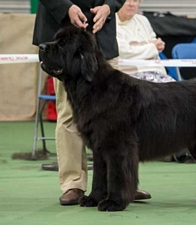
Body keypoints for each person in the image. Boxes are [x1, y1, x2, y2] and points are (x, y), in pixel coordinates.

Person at [32, 0, 151, 205]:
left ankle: (120, 183)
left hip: (101, 33)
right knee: (70, 115)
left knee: (119, 123)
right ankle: (74, 184)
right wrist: (65, 8)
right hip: (64, 36)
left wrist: (110, 6)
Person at [116, 0, 175, 83]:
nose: (131, 4)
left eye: (135, 1)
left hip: (156, 71)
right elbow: (124, 52)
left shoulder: (143, 20)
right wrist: (152, 48)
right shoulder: (111, 24)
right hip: (130, 75)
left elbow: (153, 40)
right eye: (127, 0)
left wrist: (157, 44)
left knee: (177, 91)